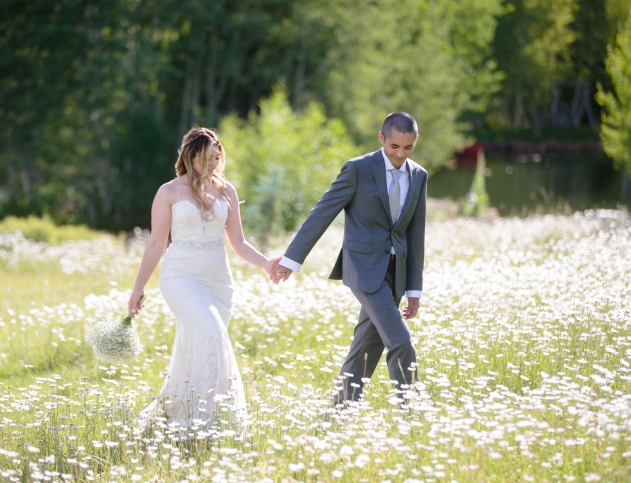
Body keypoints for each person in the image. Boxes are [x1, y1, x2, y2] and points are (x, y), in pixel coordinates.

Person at [128, 127, 281, 428]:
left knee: (200, 345)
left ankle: (184, 412)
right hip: (180, 277)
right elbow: (157, 244)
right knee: (212, 335)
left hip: (218, 283)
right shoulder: (168, 191)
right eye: (207, 158)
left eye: (217, 158)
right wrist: (138, 288)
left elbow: (238, 243)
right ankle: (202, 421)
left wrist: (266, 264)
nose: (213, 165)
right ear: (191, 155)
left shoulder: (226, 191)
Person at [274, 112, 427, 404]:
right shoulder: (358, 169)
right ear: (382, 138)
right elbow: (322, 213)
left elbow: (415, 234)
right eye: (394, 146)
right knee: (401, 341)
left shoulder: (419, 175)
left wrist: (414, 289)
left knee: (366, 349)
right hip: (364, 269)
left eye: (408, 148)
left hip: (397, 273)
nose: (400, 154)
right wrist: (291, 260)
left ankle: (338, 413)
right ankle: (412, 415)